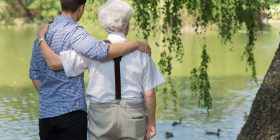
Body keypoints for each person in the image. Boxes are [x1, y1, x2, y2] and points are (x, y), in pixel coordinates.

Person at [37, 0, 165, 139]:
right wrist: (151, 122)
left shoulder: (92, 51)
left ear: (105, 26)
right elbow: (149, 93)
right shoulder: (142, 53)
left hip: (100, 116)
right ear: (127, 25)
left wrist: (42, 38)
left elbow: (54, 63)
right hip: (133, 117)